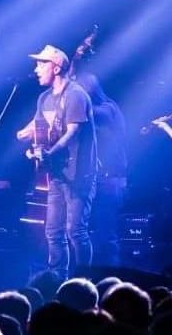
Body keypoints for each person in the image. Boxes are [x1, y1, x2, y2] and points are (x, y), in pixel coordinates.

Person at [16, 45, 97, 279]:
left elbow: (72, 131)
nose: (36, 69)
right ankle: (58, 280)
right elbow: (38, 124)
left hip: (79, 173)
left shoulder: (76, 95)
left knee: (76, 231)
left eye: (41, 64)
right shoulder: (44, 98)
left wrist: (49, 153)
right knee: (53, 231)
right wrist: (24, 134)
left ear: (56, 67)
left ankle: (83, 280)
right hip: (57, 174)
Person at [75, 71, 128, 266]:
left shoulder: (107, 109)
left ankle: (110, 275)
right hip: (94, 179)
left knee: (106, 235)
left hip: (109, 180)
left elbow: (94, 114)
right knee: (84, 232)